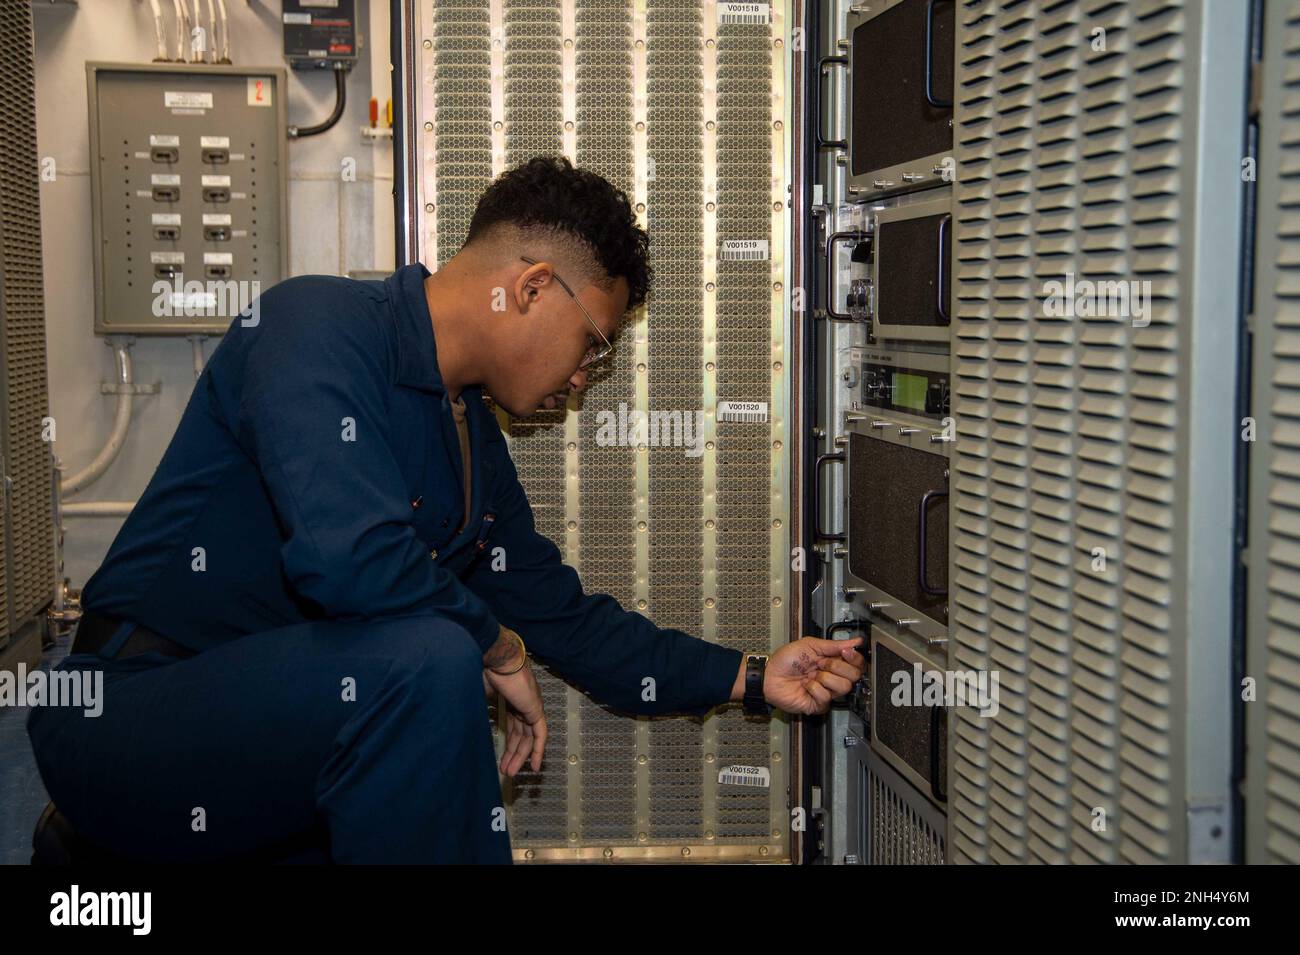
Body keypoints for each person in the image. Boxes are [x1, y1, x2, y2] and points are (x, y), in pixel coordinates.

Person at [28, 156, 864, 863]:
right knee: (430, 660)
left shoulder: (470, 439)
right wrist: (493, 645)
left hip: (279, 744)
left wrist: (752, 675)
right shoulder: (313, 327)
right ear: (533, 288)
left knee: (426, 666)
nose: (585, 376)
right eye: (595, 344)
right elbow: (349, 558)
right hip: (131, 716)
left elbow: (563, 618)